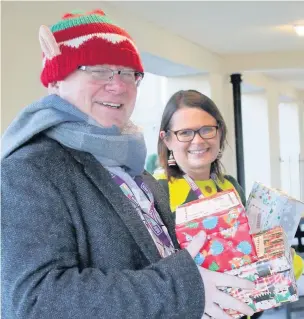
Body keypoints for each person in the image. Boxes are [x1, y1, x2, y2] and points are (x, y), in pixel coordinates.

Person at [1, 9, 257, 319]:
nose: (118, 85)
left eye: (128, 73)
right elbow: (35, 302)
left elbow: (172, 263)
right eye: (98, 69)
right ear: (56, 80)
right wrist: (184, 289)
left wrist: (247, 272)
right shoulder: (29, 169)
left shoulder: (135, 171)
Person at [154, 89, 304, 319]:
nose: (198, 140)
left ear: (219, 132)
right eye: (185, 132)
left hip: (245, 307)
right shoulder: (157, 190)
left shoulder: (229, 185)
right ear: (167, 139)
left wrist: (287, 261)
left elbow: (251, 243)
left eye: (207, 129)